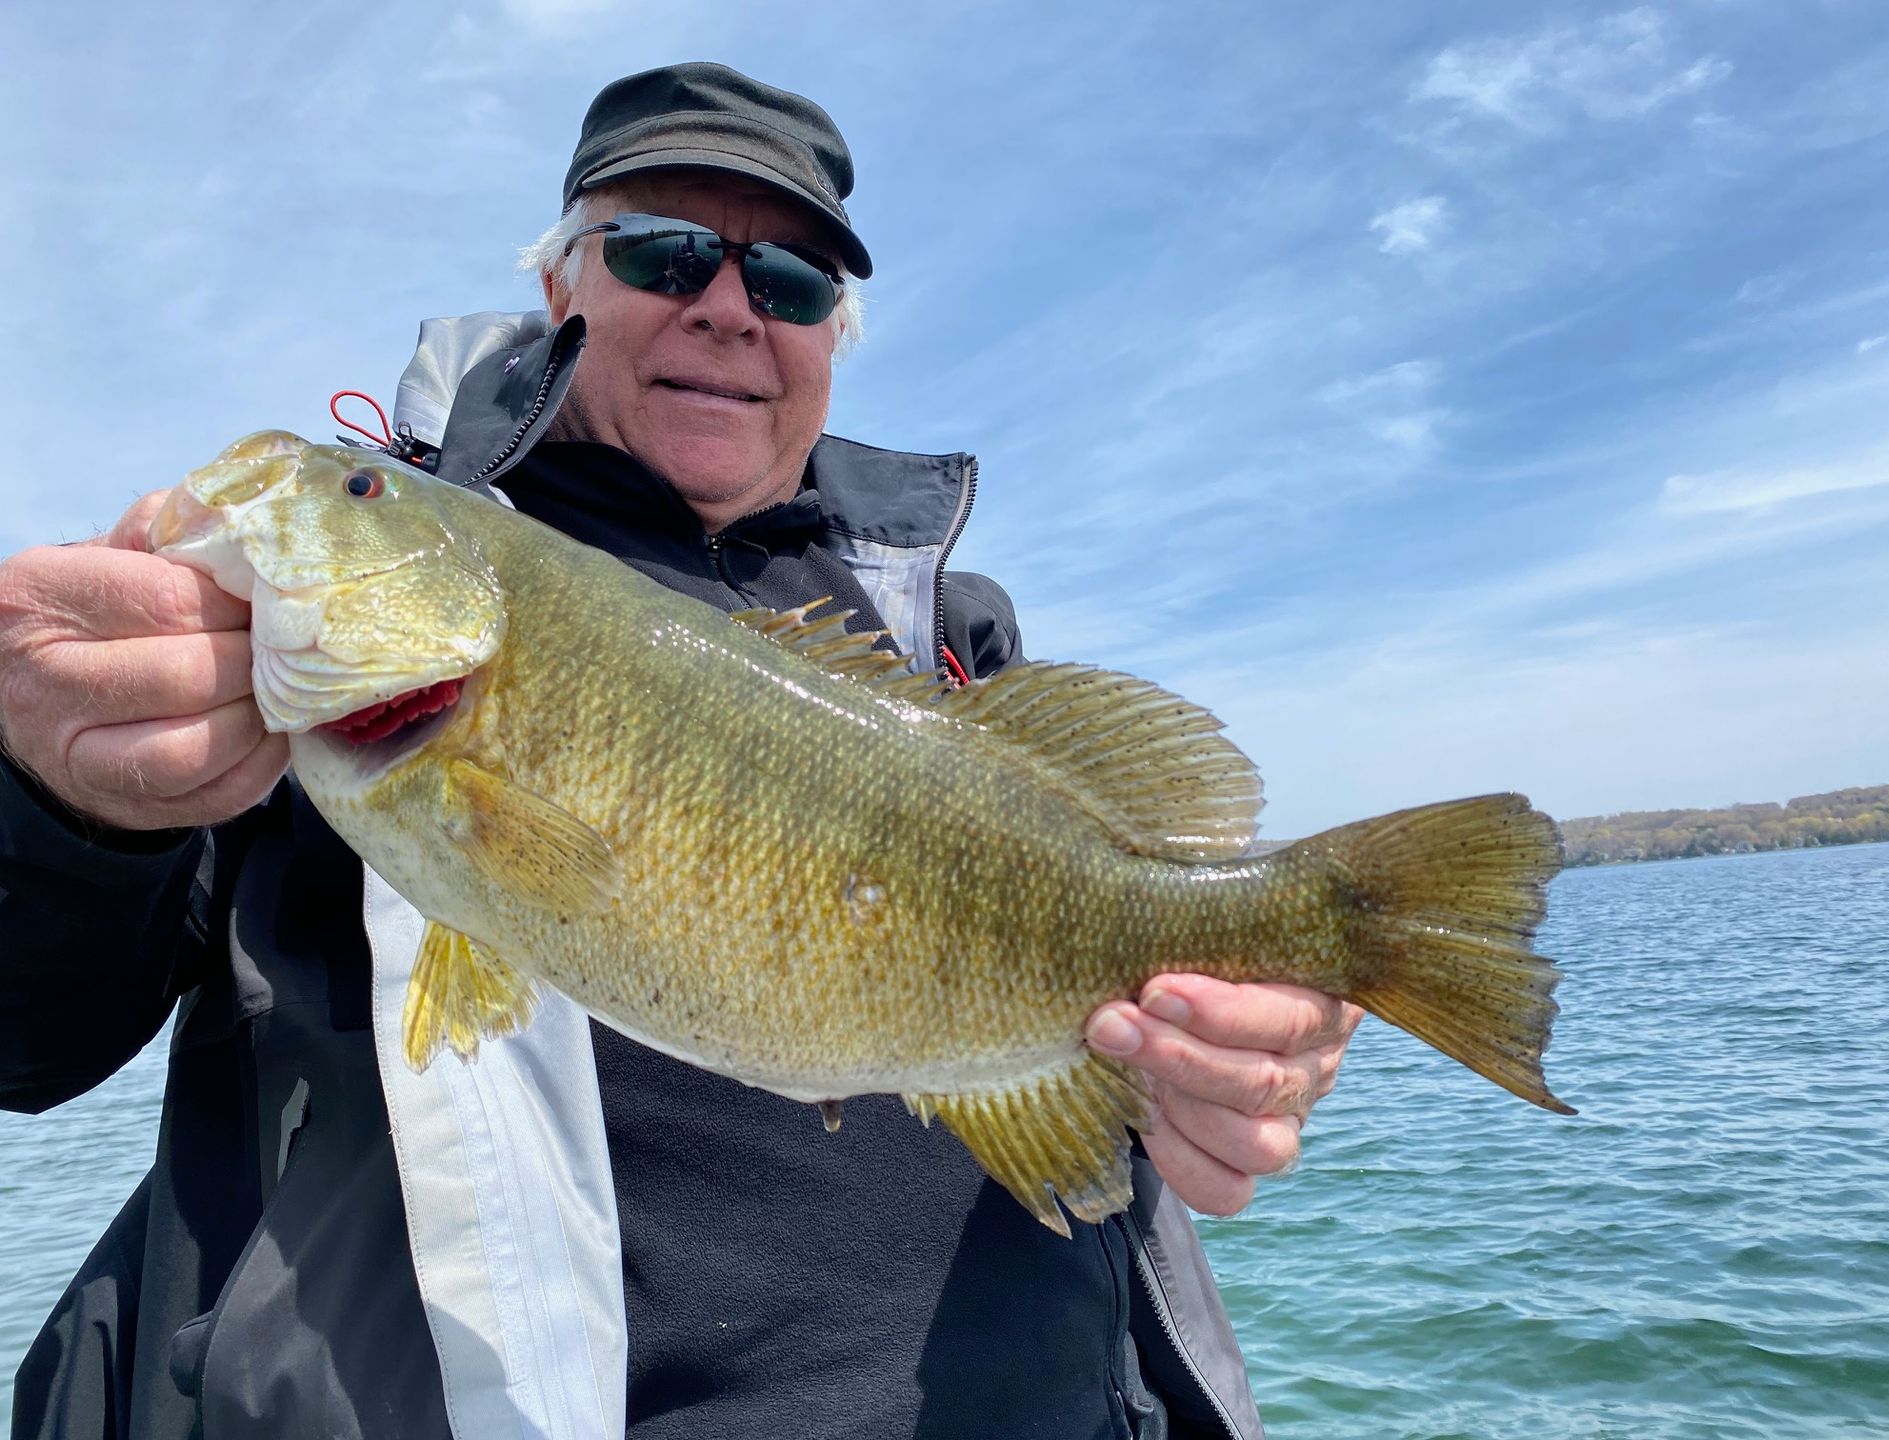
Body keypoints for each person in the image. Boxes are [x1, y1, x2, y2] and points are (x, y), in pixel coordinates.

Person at [0, 63, 1361, 1440]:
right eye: (662, 253)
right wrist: (58, 802)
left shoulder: (949, 635)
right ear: (559, 291)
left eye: (792, 281)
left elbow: (1111, 1059)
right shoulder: (311, 639)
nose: (728, 306)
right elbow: (27, 1037)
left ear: (835, 336)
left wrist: (1227, 1073)